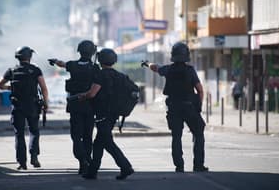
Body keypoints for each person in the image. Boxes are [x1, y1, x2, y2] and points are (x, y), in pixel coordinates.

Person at [142, 42, 208, 173]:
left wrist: (146, 63)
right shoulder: (190, 70)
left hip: (173, 108)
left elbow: (156, 67)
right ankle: (198, 165)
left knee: (176, 136)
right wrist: (198, 107)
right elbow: (200, 90)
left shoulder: (168, 69)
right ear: (186, 56)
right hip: (190, 108)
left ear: (173, 56)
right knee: (199, 133)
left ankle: (179, 166)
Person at [79, 48, 134, 180]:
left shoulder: (100, 75)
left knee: (108, 143)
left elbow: (92, 93)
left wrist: (83, 96)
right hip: (114, 114)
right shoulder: (120, 76)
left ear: (100, 60)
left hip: (103, 114)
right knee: (98, 143)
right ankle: (92, 172)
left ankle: (126, 167)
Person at [48, 40, 99, 175]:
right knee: (88, 136)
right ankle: (87, 160)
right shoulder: (95, 68)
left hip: (75, 105)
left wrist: (55, 61)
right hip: (90, 106)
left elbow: (63, 64)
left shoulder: (73, 65)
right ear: (92, 52)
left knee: (76, 136)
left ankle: (82, 161)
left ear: (79, 51)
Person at [0, 46, 49, 170]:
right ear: (30, 57)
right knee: (34, 131)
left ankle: (22, 162)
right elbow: (43, 88)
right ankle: (34, 157)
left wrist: (11, 88)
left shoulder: (11, 71)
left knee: (19, 134)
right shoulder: (35, 70)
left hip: (17, 106)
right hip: (32, 105)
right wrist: (45, 103)